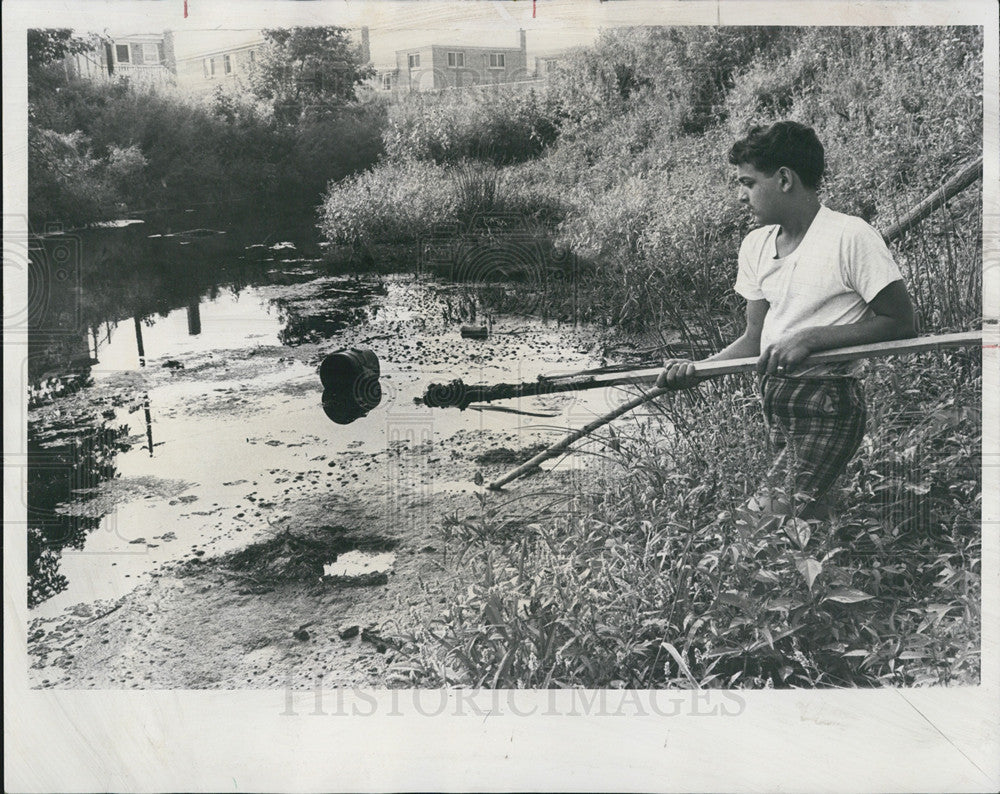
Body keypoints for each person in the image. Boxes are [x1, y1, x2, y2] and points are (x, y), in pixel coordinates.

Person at [657, 121, 916, 519]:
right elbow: (754, 340)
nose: (741, 197)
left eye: (747, 183)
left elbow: (901, 323)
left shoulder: (850, 237)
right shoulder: (756, 245)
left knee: (756, 524)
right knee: (803, 525)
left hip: (827, 402)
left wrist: (811, 339)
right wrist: (698, 370)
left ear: (783, 179)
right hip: (776, 402)